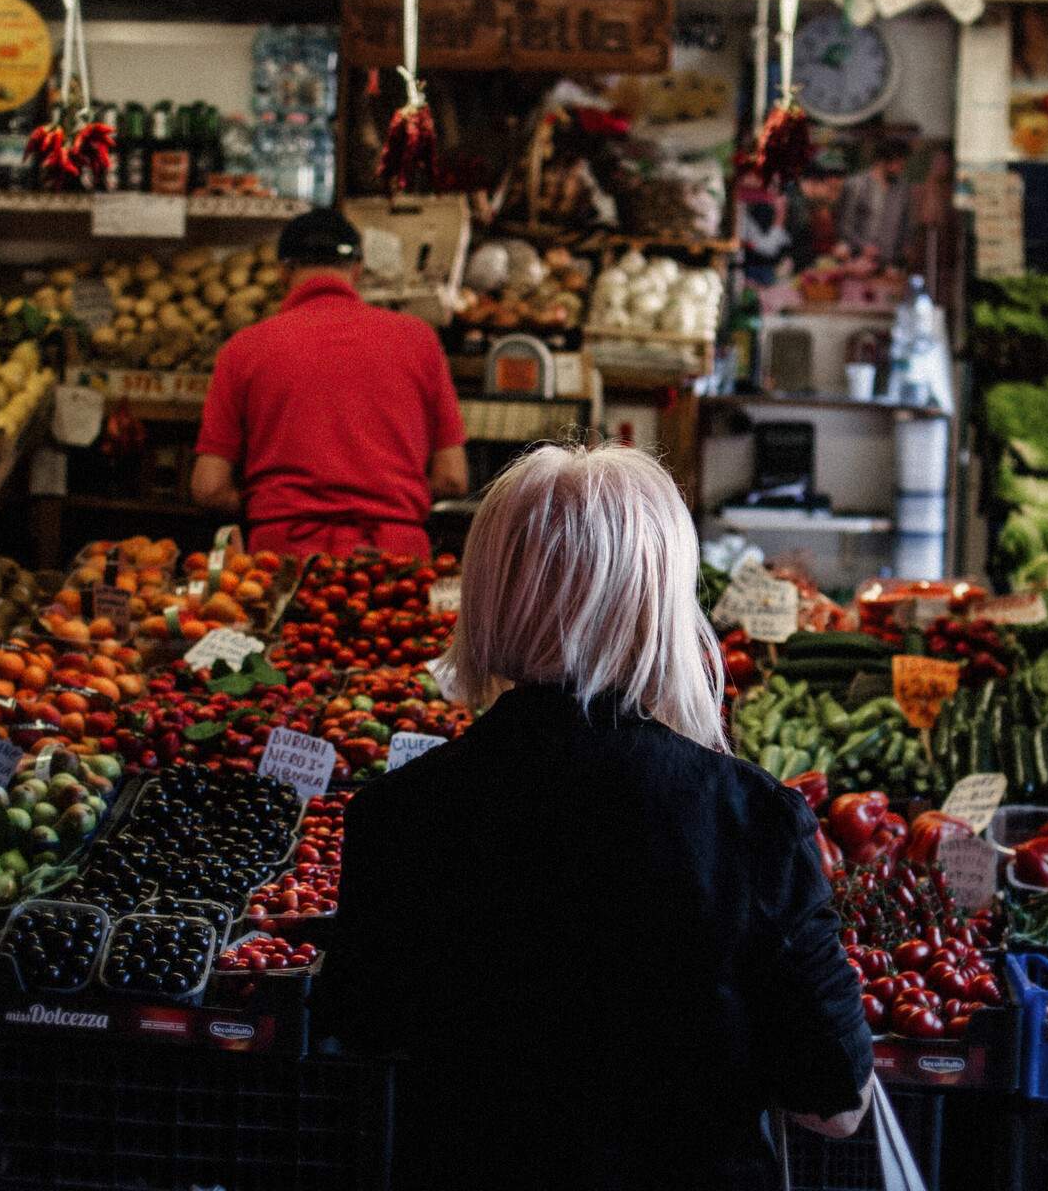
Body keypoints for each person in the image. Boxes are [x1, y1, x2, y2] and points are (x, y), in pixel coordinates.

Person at [326, 444, 875, 1189]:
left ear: (488, 590)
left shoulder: (398, 812)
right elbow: (836, 1102)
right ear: (660, 601)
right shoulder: (752, 821)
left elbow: (362, 1026)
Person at [190, 208, 469, 557]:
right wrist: (390, 499)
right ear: (357, 269)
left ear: (283, 272)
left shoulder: (243, 349)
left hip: (283, 557)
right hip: (396, 561)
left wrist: (272, 505)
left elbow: (209, 487)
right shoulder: (418, 340)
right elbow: (452, 477)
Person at [837, 135, 915, 266]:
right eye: (899, 161)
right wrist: (863, 246)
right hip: (858, 262)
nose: (902, 166)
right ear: (883, 160)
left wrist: (905, 250)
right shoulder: (857, 185)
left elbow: (905, 224)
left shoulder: (902, 188)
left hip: (891, 263)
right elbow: (844, 226)